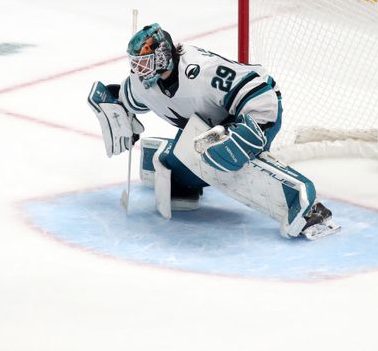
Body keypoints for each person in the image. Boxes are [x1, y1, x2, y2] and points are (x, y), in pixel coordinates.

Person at [88, 23, 338, 239]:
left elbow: (261, 95)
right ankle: (169, 154)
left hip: (257, 112)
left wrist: (248, 134)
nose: (138, 71)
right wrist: (112, 109)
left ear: (162, 56)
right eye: (135, 64)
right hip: (208, 128)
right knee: (180, 176)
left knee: (227, 160)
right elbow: (123, 99)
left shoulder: (202, 71)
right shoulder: (143, 85)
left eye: (143, 63)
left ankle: (307, 209)